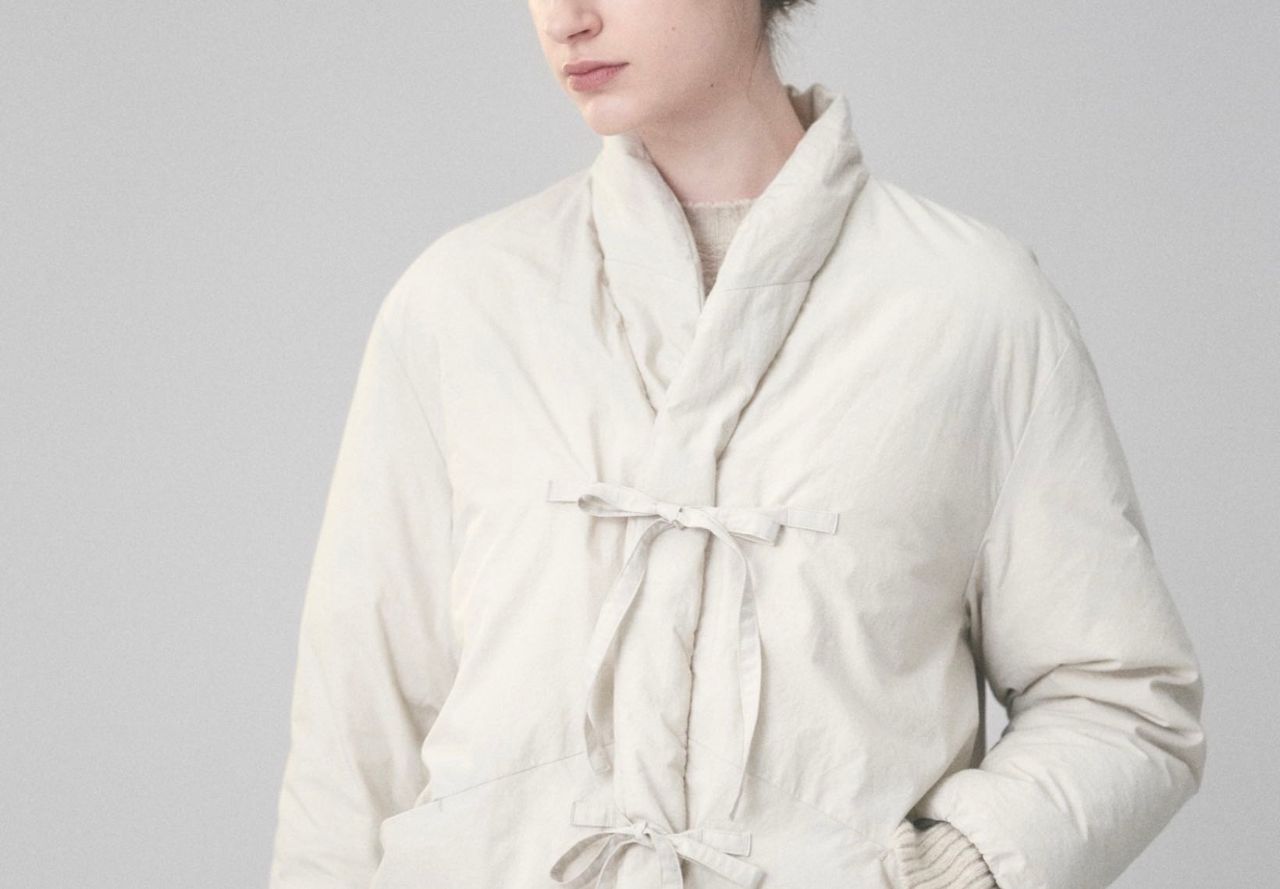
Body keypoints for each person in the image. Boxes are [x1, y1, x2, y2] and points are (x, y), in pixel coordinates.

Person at [267, 2, 1207, 888]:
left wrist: (956, 869)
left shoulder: (972, 308)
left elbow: (1122, 702)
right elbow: (354, 741)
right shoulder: (462, 304)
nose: (568, 17)